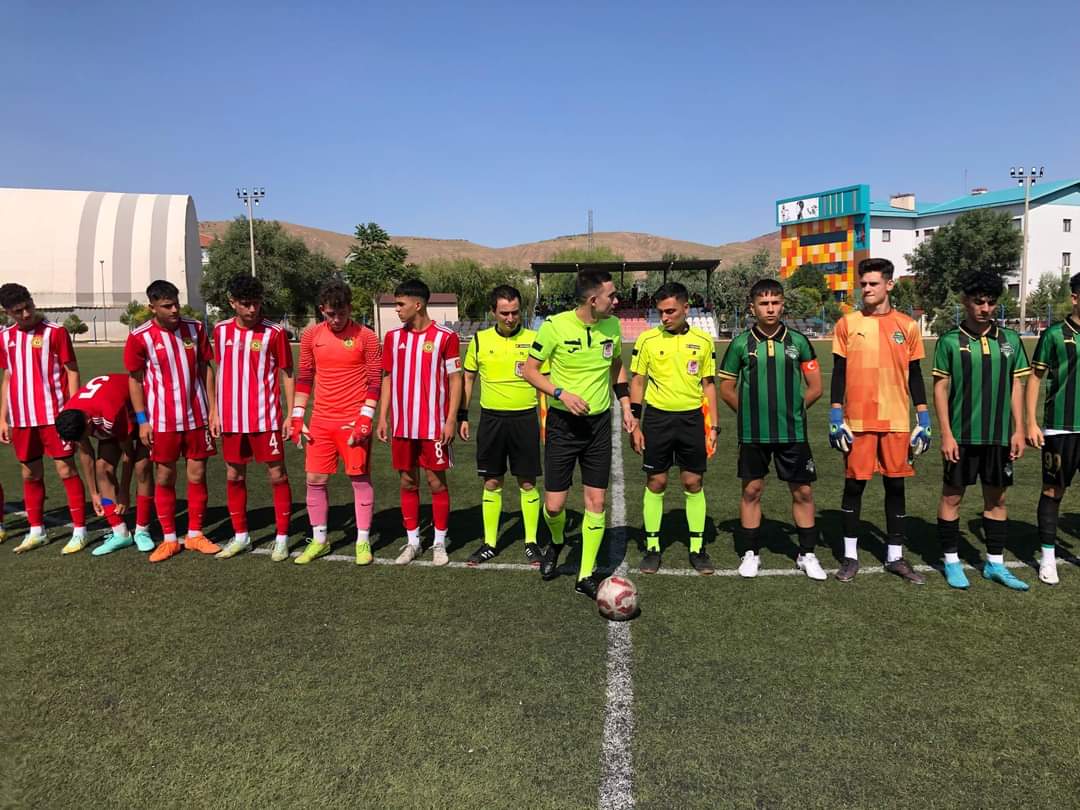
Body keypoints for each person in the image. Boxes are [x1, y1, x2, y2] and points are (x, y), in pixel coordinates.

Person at [522, 269, 636, 599]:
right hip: (562, 426)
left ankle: (585, 575)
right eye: (611, 295)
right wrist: (561, 393)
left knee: (596, 502)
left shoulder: (612, 326)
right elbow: (530, 370)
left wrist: (626, 406)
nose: (616, 301)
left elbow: (616, 366)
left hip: (598, 427)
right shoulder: (554, 326)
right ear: (593, 300)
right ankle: (557, 542)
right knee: (554, 506)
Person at [829, 258, 931, 584]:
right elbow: (839, 372)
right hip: (857, 420)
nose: (867, 289)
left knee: (895, 486)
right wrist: (835, 414)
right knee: (854, 485)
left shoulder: (908, 326)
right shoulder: (847, 323)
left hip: (896, 419)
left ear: (889, 284)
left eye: (873, 283)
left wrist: (924, 417)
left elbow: (915, 373)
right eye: (863, 284)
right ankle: (850, 557)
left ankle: (895, 557)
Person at [717, 279, 826, 580]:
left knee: (803, 491)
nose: (770, 308)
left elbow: (816, 387)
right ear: (752, 307)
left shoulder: (798, 342)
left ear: (782, 305)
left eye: (775, 302)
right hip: (754, 433)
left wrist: (793, 411)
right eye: (764, 303)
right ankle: (750, 553)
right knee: (752, 490)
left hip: (793, 433)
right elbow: (726, 388)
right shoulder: (741, 343)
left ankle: (807, 554)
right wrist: (750, 414)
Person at [933, 270, 1030, 590]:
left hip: (999, 436)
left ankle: (995, 564)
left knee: (997, 499)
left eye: (990, 302)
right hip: (961, 436)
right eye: (978, 302)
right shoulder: (950, 341)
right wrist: (946, 434)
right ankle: (951, 562)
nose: (985, 308)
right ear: (965, 302)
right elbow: (940, 388)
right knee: (952, 496)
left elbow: (1016, 385)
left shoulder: (1010, 340)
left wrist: (1018, 429)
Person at [124, 279, 220, 562]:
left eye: (176, 304)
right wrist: (143, 420)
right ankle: (169, 539)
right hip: (162, 421)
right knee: (165, 476)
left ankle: (195, 534)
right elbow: (135, 381)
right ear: (152, 307)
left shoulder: (195, 328)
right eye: (167, 306)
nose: (175, 310)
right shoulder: (140, 337)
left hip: (197, 417)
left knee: (197, 474)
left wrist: (213, 409)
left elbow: (206, 369)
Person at [289, 278, 381, 565]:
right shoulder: (310, 336)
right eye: (331, 314)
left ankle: (363, 541)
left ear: (350, 308)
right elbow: (305, 377)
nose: (337, 319)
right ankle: (319, 540)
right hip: (321, 421)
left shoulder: (367, 336)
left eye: (342, 313)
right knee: (314, 479)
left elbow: (375, 381)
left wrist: (366, 417)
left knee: (359, 478)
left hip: (353, 421)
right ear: (322, 310)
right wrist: (297, 415)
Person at [629, 282, 719, 575]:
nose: (665, 317)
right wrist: (635, 423)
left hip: (692, 419)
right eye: (661, 312)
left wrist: (714, 426)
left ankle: (697, 549)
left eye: (670, 311)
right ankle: (653, 548)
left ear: (686, 308)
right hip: (657, 419)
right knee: (656, 482)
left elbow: (709, 386)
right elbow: (637, 382)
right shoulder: (647, 340)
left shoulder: (703, 341)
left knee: (693, 482)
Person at [377, 279, 462, 566]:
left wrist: (451, 419)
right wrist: (383, 417)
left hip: (434, 426)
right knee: (407, 480)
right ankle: (413, 541)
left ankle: (439, 541)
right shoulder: (392, 338)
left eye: (400, 304)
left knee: (436, 482)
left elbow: (455, 379)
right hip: (402, 425)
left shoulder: (445, 337)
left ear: (418, 304)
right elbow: (387, 377)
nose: (397, 309)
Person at [212, 275, 296, 561]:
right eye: (246, 304)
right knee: (234, 475)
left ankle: (282, 538)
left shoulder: (275, 332)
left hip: (266, 418)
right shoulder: (221, 330)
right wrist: (215, 410)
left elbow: (287, 373)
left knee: (277, 475)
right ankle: (241, 536)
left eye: (256, 303)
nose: (252, 309)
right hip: (232, 419)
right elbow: (220, 370)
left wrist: (290, 414)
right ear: (232, 303)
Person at [459, 285, 544, 567]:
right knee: (492, 481)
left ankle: (531, 542)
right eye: (504, 313)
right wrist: (462, 415)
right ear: (493, 312)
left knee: (527, 482)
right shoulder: (480, 340)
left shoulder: (534, 339)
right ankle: (490, 543)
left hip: (525, 419)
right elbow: (468, 379)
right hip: (492, 420)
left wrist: (545, 422)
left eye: (515, 312)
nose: (510, 318)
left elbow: (544, 383)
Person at [0, 283, 87, 554]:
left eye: (28, 307)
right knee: (30, 473)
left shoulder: (55, 332)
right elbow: (8, 377)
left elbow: (72, 371)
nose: (26, 314)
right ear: (7, 312)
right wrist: (3, 418)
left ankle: (80, 531)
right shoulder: (5, 337)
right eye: (18, 311)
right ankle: (37, 530)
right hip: (22, 418)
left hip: (54, 416)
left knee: (65, 469)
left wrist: (73, 409)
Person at [55, 373, 156, 555]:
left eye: (85, 435)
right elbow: (86, 453)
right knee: (102, 468)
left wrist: (124, 492)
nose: (85, 439)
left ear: (88, 423)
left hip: (141, 411)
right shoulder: (72, 416)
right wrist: (94, 493)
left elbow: (128, 452)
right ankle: (120, 533)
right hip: (109, 414)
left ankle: (142, 530)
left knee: (142, 467)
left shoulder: (109, 413)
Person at [1026, 270, 1080, 586]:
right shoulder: (1055, 335)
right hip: (1060, 428)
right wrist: (1031, 422)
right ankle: (1048, 558)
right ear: (1075, 298)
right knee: (1052, 490)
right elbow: (1035, 378)